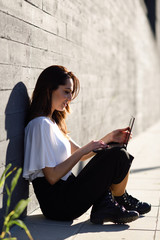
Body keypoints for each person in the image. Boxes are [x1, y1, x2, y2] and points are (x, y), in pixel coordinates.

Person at [23, 65, 151, 224]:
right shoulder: (39, 125)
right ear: (49, 89)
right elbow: (52, 177)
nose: (70, 98)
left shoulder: (51, 123)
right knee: (118, 155)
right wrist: (86, 148)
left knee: (116, 150)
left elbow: (83, 154)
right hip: (58, 204)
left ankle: (107, 203)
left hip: (67, 193)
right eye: (66, 91)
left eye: (70, 93)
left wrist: (110, 137)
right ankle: (116, 199)